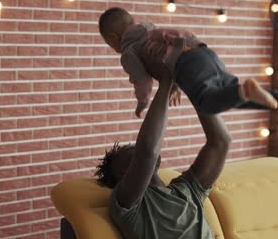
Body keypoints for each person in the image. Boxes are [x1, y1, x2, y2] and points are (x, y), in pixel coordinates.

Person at [98, 7, 278, 128]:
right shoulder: (149, 29)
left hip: (186, 65)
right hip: (203, 52)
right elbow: (168, 50)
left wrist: (142, 103)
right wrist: (176, 86)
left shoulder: (128, 52)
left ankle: (246, 90)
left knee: (206, 103)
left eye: (110, 44)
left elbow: (141, 80)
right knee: (229, 96)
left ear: (114, 38)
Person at [95, 65, 231, 239]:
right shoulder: (125, 203)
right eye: (131, 152)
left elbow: (221, 141)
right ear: (123, 174)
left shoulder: (188, 189)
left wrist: (191, 83)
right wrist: (166, 82)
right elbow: (147, 153)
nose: (136, 149)